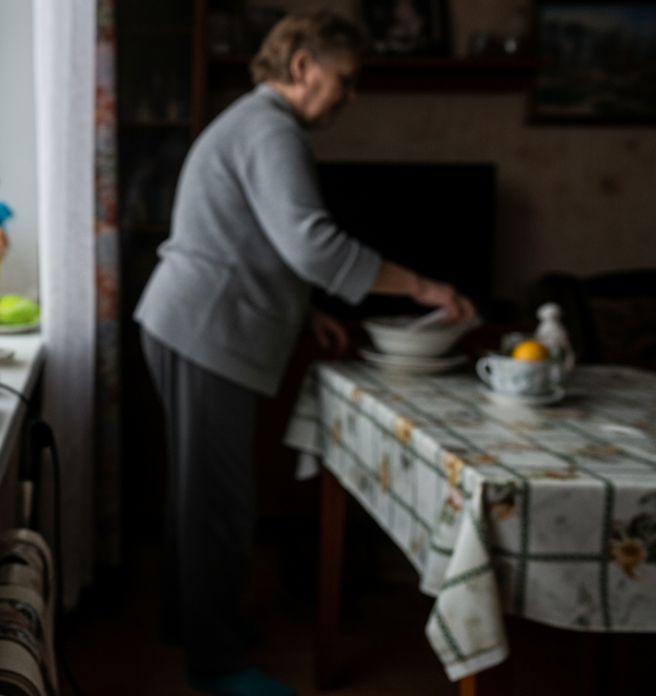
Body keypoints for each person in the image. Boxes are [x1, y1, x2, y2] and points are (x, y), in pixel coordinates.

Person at [132, 11, 475, 696]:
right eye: (345, 80)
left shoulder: (255, 123)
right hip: (204, 330)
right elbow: (313, 244)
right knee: (220, 502)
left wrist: (305, 311)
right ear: (301, 67)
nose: (351, 95)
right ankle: (215, 663)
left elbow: (251, 238)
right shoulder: (273, 130)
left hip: (189, 323)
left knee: (199, 494)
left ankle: (189, 626)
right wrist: (422, 286)